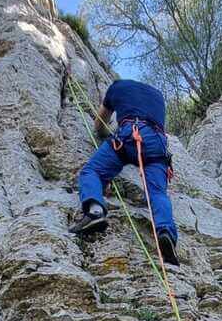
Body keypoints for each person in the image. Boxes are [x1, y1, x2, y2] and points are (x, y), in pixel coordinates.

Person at [70, 76, 179, 265]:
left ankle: (95, 211)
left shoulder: (117, 87)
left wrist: (107, 136)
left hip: (130, 134)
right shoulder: (158, 96)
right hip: (158, 144)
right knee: (157, 193)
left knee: (92, 172)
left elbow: (100, 124)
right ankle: (165, 233)